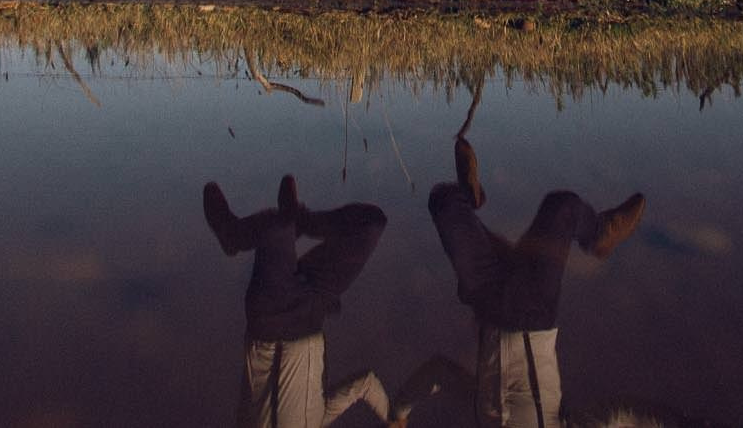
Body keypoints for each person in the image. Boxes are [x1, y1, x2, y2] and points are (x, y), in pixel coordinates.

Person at [418, 136, 648, 427]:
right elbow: (616, 416)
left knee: (444, 201)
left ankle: (469, 194)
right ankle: (601, 234)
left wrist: (397, 413)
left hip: (487, 302)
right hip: (533, 312)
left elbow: (440, 373)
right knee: (562, 206)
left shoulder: (481, 415)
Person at [203, 174, 416, 427]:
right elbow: (365, 384)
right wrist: (391, 417)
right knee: (370, 223)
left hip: (271, 317)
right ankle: (300, 220)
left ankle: (234, 236)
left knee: (275, 227)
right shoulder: (319, 420)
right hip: (313, 309)